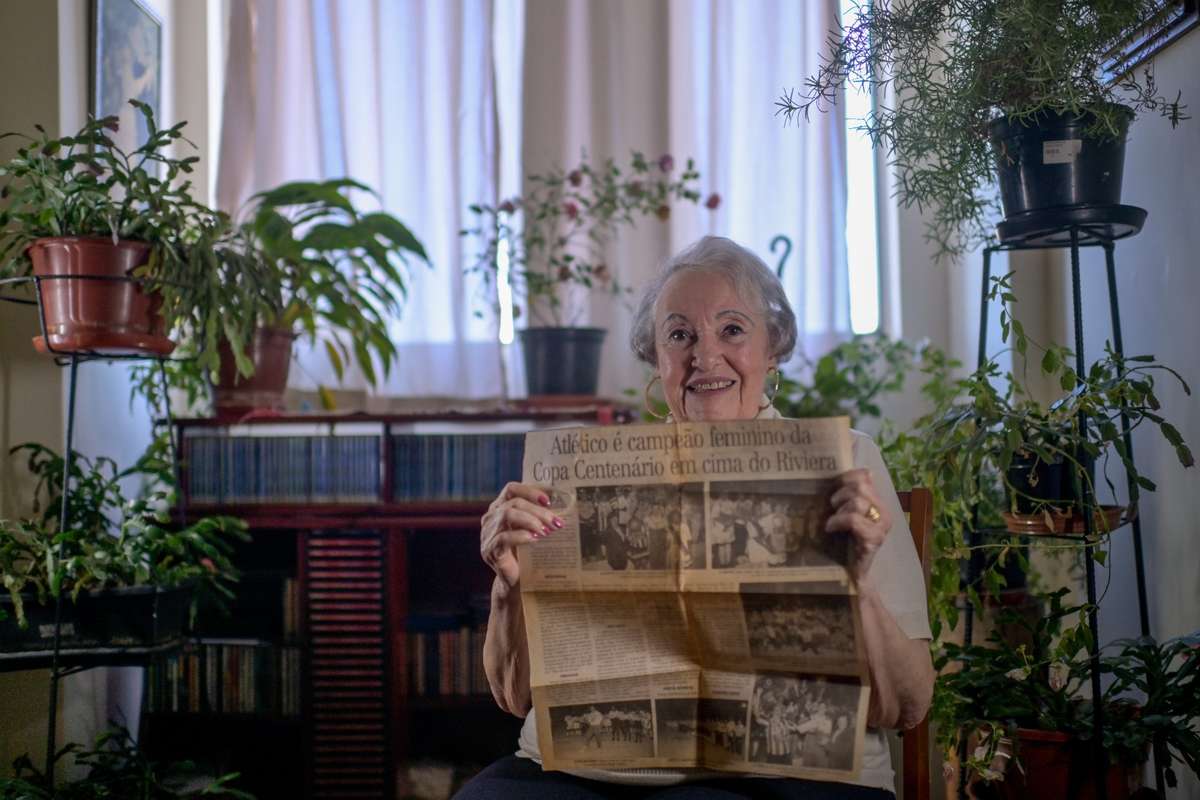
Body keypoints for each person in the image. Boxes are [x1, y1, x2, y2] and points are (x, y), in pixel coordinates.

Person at [463, 236, 934, 799]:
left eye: (732, 330)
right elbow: (515, 699)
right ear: (656, 357)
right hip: (582, 774)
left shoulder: (847, 464)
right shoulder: (579, 477)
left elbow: (908, 706)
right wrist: (508, 587)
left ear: (773, 346)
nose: (704, 358)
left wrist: (852, 586)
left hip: (781, 779)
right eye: (680, 335)